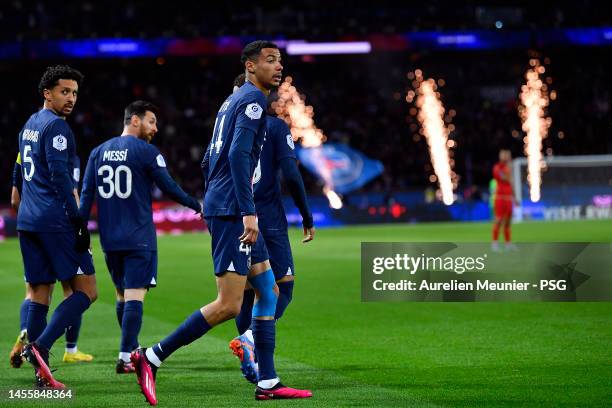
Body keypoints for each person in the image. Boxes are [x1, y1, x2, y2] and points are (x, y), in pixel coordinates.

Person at [130, 40, 312, 405]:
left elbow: (211, 158)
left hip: (225, 204)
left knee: (269, 291)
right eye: (271, 61)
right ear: (249, 65)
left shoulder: (232, 101)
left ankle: (268, 382)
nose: (279, 67)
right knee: (229, 304)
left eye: (281, 61)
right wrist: (246, 209)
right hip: (233, 212)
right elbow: (237, 154)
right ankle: (150, 357)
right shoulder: (253, 101)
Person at [79, 100, 202, 374]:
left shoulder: (97, 152)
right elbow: (168, 185)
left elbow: (86, 196)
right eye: (151, 121)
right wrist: (197, 204)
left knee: (123, 296)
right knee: (135, 296)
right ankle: (125, 358)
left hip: (109, 238)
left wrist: (80, 230)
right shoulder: (146, 152)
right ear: (134, 120)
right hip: (138, 237)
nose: (155, 128)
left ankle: (130, 349)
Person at [228, 73, 315, 383]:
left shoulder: (223, 129)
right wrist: (306, 214)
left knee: (249, 291)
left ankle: (254, 365)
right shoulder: (275, 127)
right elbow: (291, 175)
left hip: (231, 216)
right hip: (266, 217)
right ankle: (249, 340)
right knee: (283, 287)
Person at [18, 65, 97, 389]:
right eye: (64, 91)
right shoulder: (57, 128)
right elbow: (60, 177)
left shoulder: (30, 124)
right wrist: (78, 220)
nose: (71, 99)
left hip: (27, 220)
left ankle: (41, 373)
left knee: (39, 293)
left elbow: (19, 163)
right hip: (55, 220)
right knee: (87, 292)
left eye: (75, 93)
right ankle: (41, 346)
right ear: (47, 93)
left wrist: (14, 187)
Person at [9, 154, 94, 369]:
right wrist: (80, 229)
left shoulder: (24, 148)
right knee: (78, 292)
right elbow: (72, 192)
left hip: (29, 226)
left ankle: (38, 364)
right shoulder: (63, 150)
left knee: (34, 294)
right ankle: (62, 348)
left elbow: (14, 199)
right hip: (59, 229)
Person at [491, 149, 517, 251]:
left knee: (508, 222)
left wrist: (515, 198)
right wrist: (509, 172)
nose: (506, 157)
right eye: (504, 155)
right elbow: (504, 178)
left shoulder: (509, 168)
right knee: (498, 220)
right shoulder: (497, 167)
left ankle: (508, 243)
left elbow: (511, 183)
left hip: (509, 198)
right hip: (500, 198)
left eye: (508, 155)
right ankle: (494, 243)